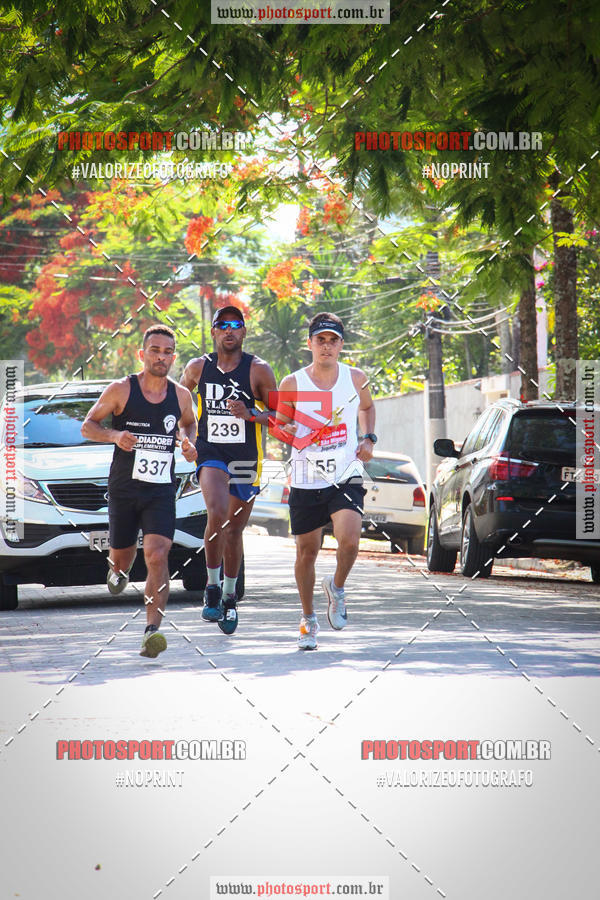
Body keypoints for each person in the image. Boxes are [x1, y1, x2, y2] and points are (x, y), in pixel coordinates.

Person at [81, 324, 198, 658]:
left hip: (160, 490)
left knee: (158, 553)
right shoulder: (121, 390)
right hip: (124, 489)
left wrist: (188, 442)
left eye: (167, 352)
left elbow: (189, 422)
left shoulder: (180, 395)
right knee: (123, 556)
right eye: (154, 350)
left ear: (173, 357)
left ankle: (152, 632)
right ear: (142, 353)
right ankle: (118, 569)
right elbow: (88, 426)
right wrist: (115, 436)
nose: (161, 357)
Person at [277, 312, 377, 650]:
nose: (327, 346)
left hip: (344, 475)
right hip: (306, 478)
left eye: (333, 340)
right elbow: (280, 423)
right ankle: (308, 619)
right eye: (320, 340)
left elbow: (367, 408)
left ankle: (336, 587)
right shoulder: (292, 383)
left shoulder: (355, 378)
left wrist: (368, 439)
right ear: (310, 344)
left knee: (349, 540)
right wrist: (288, 431)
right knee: (307, 552)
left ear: (340, 345)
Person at [180, 305, 277, 634]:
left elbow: (282, 417)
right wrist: (186, 439)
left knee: (234, 530)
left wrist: (251, 413)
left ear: (244, 332)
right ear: (213, 332)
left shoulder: (259, 371)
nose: (230, 330)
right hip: (210, 454)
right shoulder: (198, 368)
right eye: (223, 325)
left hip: (247, 457)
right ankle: (211, 587)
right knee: (217, 515)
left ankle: (230, 597)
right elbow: (180, 409)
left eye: (236, 325)